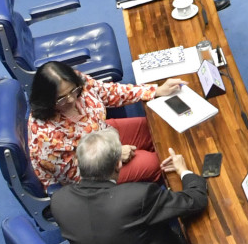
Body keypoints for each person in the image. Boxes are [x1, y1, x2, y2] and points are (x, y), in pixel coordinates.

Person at [52, 129, 210, 244]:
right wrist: (184, 171)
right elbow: (196, 200)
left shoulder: (59, 201)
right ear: (119, 164)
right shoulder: (138, 197)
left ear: (78, 164)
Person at [27, 60, 181, 189]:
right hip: (93, 170)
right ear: (46, 100)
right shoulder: (45, 137)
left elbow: (108, 91)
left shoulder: (74, 81)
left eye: (73, 91)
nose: (72, 100)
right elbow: (74, 177)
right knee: (155, 163)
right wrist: (113, 155)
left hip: (101, 132)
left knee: (157, 128)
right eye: (61, 99)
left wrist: (154, 91)